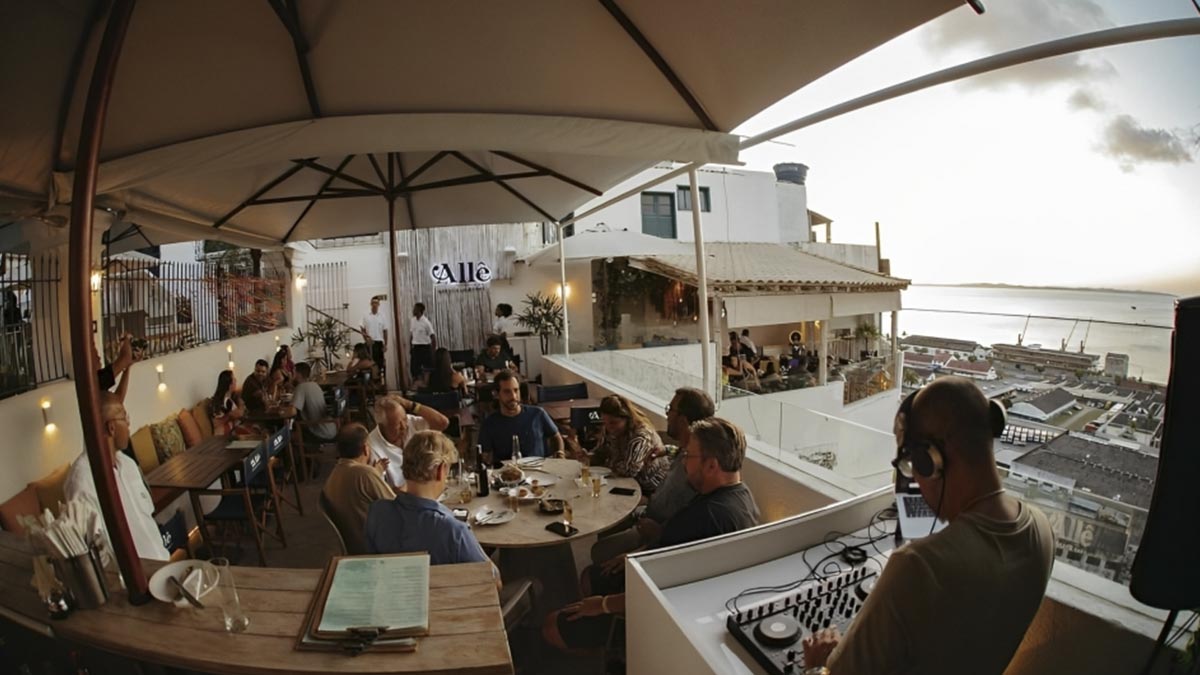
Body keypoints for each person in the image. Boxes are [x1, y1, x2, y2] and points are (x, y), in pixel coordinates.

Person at [801, 376, 1054, 675]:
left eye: (911, 465)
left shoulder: (917, 565)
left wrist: (819, 665)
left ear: (930, 460)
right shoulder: (1041, 530)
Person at [546, 417, 760, 651]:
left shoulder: (706, 517)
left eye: (689, 456)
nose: (684, 463)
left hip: (656, 607)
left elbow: (663, 593)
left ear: (711, 465)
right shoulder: (740, 495)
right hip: (651, 570)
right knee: (589, 576)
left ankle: (618, 642)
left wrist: (603, 605)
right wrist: (638, 553)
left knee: (550, 626)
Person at [590, 387, 714, 565]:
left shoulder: (695, 467)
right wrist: (667, 449)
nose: (667, 415)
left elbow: (686, 525)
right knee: (606, 516)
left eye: (670, 410)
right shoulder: (686, 450)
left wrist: (656, 534)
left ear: (683, 419)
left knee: (599, 550)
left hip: (651, 513)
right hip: (650, 507)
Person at [64, 393, 171, 561]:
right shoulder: (82, 481)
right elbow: (92, 548)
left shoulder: (128, 465)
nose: (129, 424)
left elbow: (146, 516)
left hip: (162, 563)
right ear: (111, 427)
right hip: (132, 580)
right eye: (124, 417)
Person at [365, 431, 492, 568]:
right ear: (440, 470)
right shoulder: (454, 531)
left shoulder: (376, 512)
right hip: (444, 588)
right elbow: (493, 580)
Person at [321, 423, 395, 554]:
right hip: (375, 544)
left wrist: (375, 472)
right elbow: (396, 507)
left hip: (353, 544)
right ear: (366, 449)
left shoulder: (335, 473)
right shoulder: (364, 474)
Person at [578, 394, 668, 494]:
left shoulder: (640, 436)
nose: (608, 427)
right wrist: (590, 456)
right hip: (621, 480)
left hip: (649, 486)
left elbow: (629, 470)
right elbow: (602, 451)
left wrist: (608, 466)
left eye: (613, 423)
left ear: (627, 419)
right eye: (605, 422)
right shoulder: (610, 429)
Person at [367, 393, 450, 489]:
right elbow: (381, 491)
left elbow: (442, 422)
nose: (404, 426)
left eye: (404, 419)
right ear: (382, 426)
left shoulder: (410, 423)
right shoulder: (372, 447)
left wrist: (410, 405)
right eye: (397, 424)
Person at [477, 370, 562, 463]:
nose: (513, 396)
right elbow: (484, 456)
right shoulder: (489, 424)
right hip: (506, 474)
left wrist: (560, 454)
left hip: (539, 472)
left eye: (516, 390)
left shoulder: (538, 414)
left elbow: (556, 437)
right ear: (496, 394)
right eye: (507, 392)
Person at [291, 362, 336, 443]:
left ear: (298, 375)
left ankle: (301, 453)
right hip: (331, 428)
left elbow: (292, 411)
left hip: (320, 432)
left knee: (289, 434)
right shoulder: (315, 384)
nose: (291, 375)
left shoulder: (301, 387)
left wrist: (280, 411)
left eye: (293, 373)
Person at [209, 369, 247, 436]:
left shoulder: (224, 399)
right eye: (234, 379)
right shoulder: (225, 401)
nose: (236, 381)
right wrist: (240, 401)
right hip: (226, 435)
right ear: (230, 385)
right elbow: (240, 414)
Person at [361, 296, 389, 376]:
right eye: (373, 303)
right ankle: (372, 383)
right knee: (370, 364)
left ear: (379, 304)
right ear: (370, 304)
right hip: (370, 344)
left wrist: (385, 345)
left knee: (379, 364)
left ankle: (378, 382)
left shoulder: (382, 316)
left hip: (379, 343)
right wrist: (366, 339)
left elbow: (385, 331)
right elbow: (362, 328)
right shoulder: (365, 315)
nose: (374, 304)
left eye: (376, 303)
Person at [410, 302, 436, 379]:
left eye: (415, 309)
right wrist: (411, 346)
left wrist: (433, 351)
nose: (413, 310)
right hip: (416, 347)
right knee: (414, 368)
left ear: (419, 310)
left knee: (427, 368)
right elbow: (411, 334)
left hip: (425, 347)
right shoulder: (412, 320)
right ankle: (417, 384)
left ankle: (426, 384)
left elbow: (433, 337)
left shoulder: (426, 322)